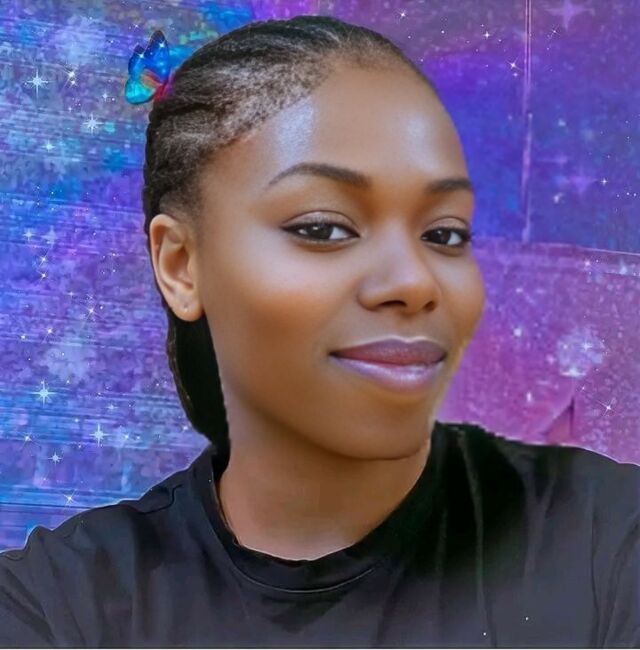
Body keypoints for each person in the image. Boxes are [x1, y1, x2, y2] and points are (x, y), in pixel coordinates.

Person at [1, 14, 638, 648]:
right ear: (181, 265)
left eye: (443, 233)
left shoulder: (606, 545)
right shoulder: (57, 607)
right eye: (324, 227)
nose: (414, 281)